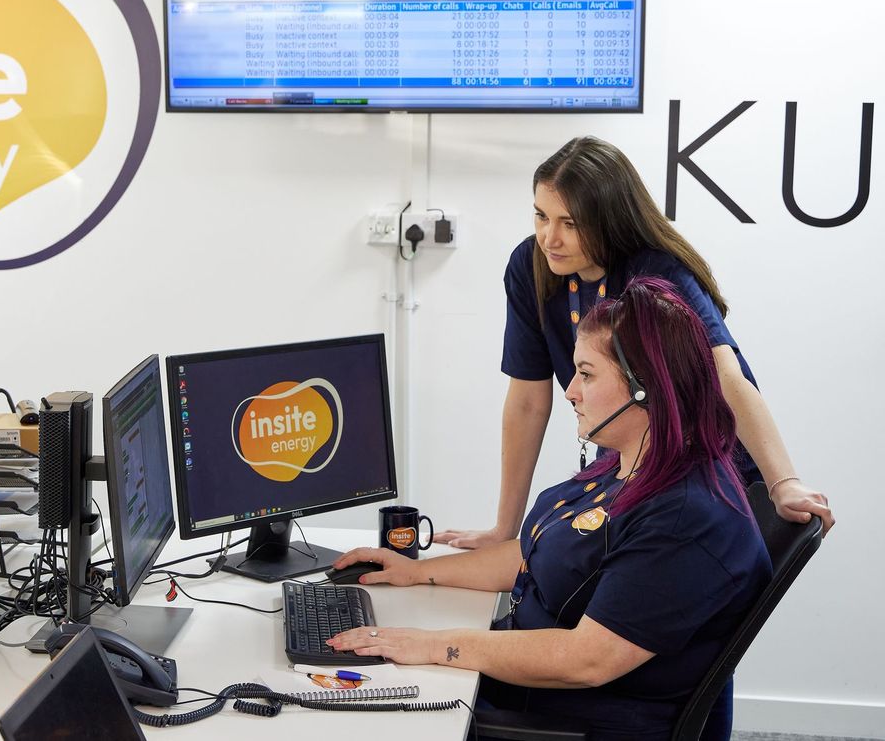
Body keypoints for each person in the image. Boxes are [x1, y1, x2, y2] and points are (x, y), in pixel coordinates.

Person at [328, 278, 772, 741]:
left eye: (587, 374)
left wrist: (434, 645)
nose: (570, 391)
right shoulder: (628, 462)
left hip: (566, 722)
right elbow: (536, 550)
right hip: (521, 686)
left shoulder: (686, 518)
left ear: (646, 387)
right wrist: (419, 572)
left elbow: (587, 660)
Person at [436, 137, 832, 549]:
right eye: (541, 216)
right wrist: (504, 529)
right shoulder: (530, 266)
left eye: (570, 224)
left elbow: (726, 378)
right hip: (628, 466)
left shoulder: (659, 272)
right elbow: (527, 402)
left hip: (701, 476)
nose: (549, 238)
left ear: (609, 219)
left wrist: (783, 483)